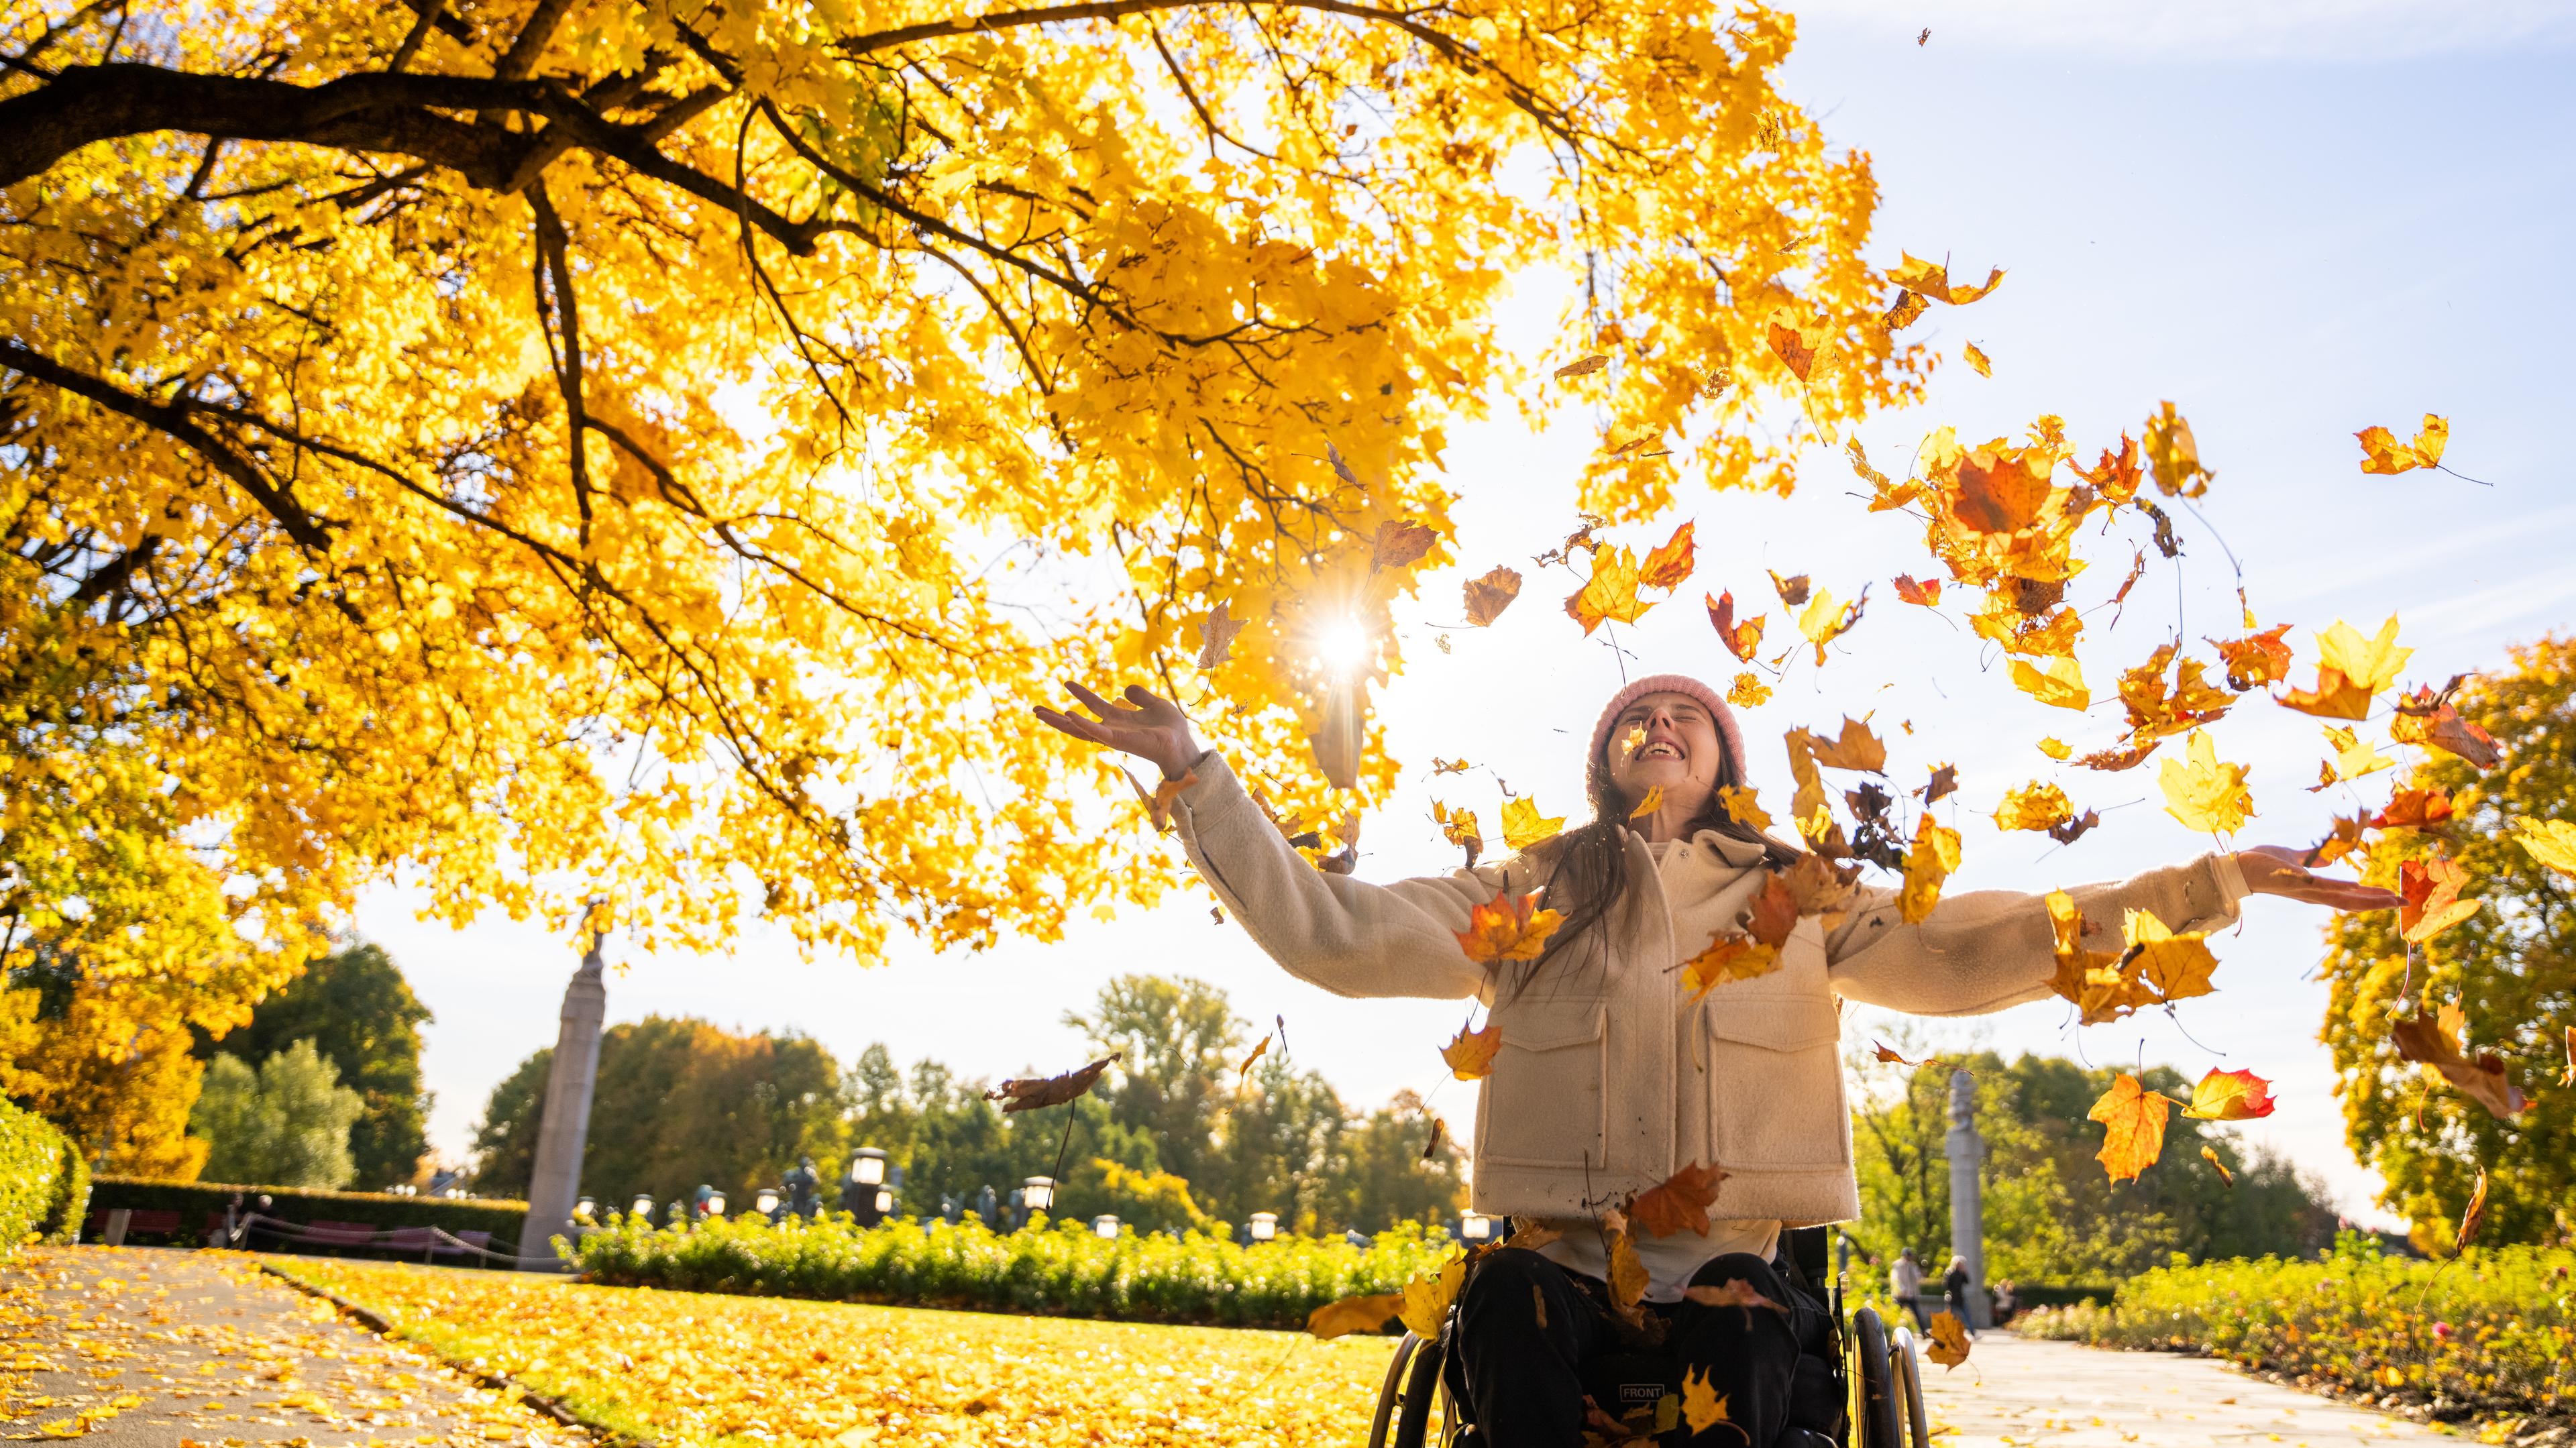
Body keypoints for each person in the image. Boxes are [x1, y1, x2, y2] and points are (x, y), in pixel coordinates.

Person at [1036, 672, 2396, 1448]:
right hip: (1559, 1265)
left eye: (1687, 718)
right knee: (1500, 1294)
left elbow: (1991, 945)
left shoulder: (1796, 895)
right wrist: (1197, 773)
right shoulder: (1525, 892)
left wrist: (2214, 880)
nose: (1661, 726)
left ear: (1724, 762)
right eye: (1636, 719)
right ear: (1602, 762)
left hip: (1743, 1272)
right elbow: (1332, 931)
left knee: (1745, 1312)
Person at [1890, 1247, 1927, 1331]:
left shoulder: (1912, 1266)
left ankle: (1923, 1332)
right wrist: (1902, 1290)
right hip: (1900, 1295)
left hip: (1911, 1294)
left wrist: (1922, 1275)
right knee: (1897, 1314)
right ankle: (1894, 1331)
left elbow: (1918, 1278)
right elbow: (1895, 1279)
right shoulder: (1898, 1265)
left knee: (1917, 1314)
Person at [1942, 1256, 1975, 1337]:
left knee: (1967, 1316)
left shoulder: (1961, 1274)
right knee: (1949, 1317)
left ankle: (1972, 1332)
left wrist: (1964, 1273)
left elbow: (1967, 1282)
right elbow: (1946, 1286)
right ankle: (1945, 1332)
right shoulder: (1950, 1273)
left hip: (1960, 1298)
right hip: (1952, 1298)